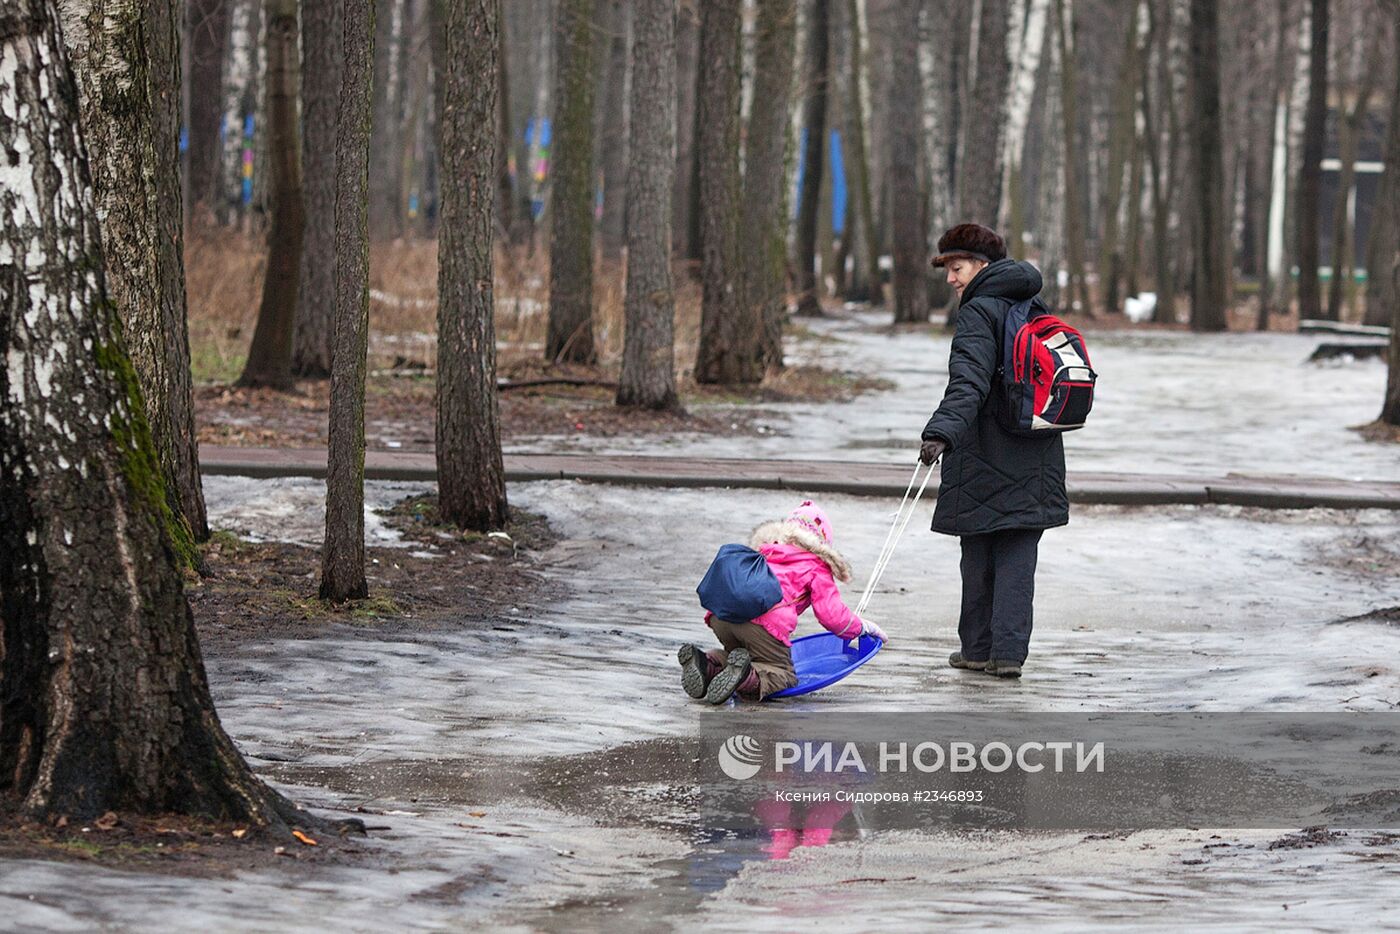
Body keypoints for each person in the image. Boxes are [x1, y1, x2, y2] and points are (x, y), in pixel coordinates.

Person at [919, 224, 1069, 679]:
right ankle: (1006, 656)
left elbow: (969, 381)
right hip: (1038, 449)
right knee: (1019, 556)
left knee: (980, 553)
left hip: (985, 451)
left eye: (957, 267)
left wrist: (940, 432)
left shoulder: (978, 312)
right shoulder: (1032, 305)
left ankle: (978, 650)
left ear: (982, 266)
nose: (950, 279)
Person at [679, 501, 888, 704]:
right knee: (783, 673)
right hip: (762, 624)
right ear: (822, 541)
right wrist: (863, 627)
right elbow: (832, 616)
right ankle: (746, 678)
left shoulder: (765, 551)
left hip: (722, 617)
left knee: (742, 656)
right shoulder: (815, 564)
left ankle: (707, 664)